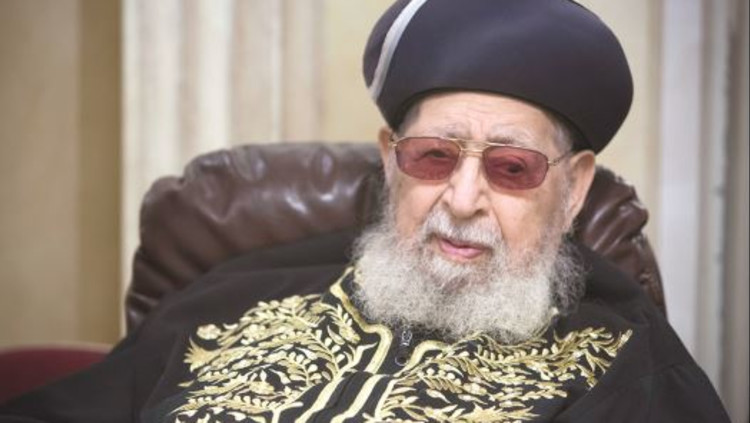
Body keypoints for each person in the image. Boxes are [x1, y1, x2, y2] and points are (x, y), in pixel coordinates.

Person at [0, 0, 730, 421]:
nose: (463, 200)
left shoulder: (624, 365)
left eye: (511, 168)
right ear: (390, 160)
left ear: (572, 190)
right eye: (434, 157)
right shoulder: (233, 298)